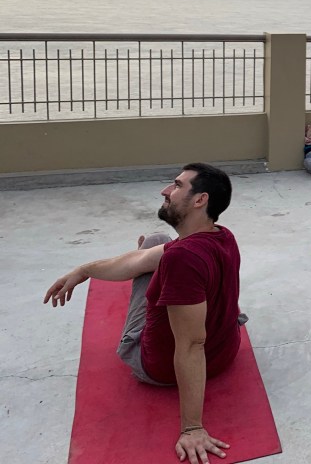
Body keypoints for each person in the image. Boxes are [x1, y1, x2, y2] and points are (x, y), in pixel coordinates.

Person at [44, 163, 240, 464]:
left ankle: (154, 271)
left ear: (200, 200)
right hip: (225, 351)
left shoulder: (181, 259)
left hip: (159, 368)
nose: (166, 191)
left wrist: (192, 428)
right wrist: (83, 271)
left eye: (176, 186)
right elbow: (141, 260)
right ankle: (153, 261)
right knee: (156, 243)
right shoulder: (223, 235)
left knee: (159, 257)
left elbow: (191, 345)